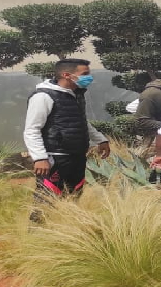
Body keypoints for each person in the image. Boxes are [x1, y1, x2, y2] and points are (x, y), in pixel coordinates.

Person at [24, 58, 112, 203]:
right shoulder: (43, 96)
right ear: (66, 75)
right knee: (47, 200)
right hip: (55, 158)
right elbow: (32, 130)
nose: (89, 77)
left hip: (77, 157)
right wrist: (40, 158)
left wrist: (100, 139)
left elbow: (79, 121)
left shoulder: (76, 94)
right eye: (84, 74)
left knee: (73, 199)